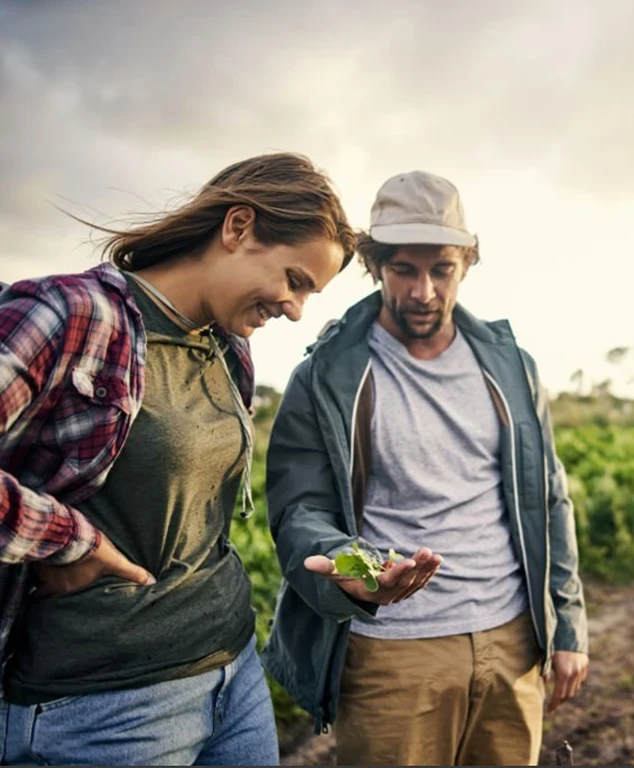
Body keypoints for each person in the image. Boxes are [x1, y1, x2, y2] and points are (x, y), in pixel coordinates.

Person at [0, 152, 356, 766]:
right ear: (238, 227)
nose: (296, 308)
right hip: (98, 710)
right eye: (295, 280)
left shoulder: (230, 351)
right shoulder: (69, 314)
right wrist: (66, 538)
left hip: (233, 676)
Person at [261, 170, 589, 766]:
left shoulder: (511, 365)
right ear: (374, 265)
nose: (423, 292)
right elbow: (298, 509)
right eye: (404, 270)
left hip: (512, 638)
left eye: (441, 270)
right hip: (391, 651)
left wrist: (565, 626)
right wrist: (350, 568)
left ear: (466, 263)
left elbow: (550, 497)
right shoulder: (325, 375)